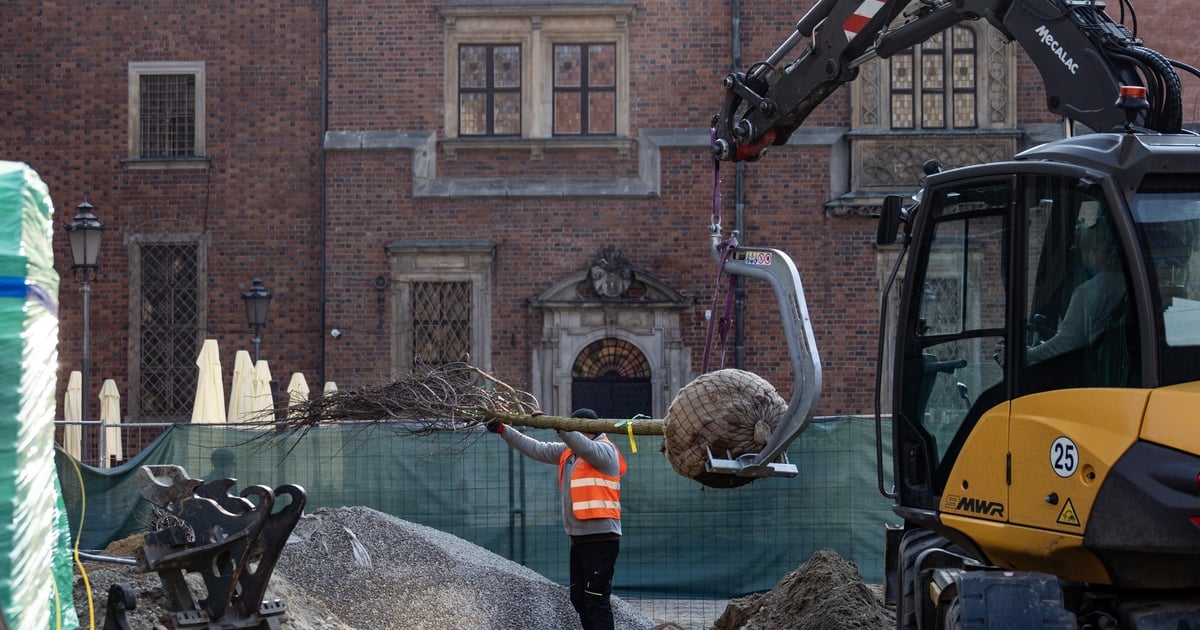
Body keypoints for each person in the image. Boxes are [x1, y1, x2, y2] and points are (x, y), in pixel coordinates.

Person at [486, 408, 627, 630]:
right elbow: (537, 448)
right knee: (579, 598)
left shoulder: (605, 451)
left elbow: (586, 447)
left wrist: (559, 425)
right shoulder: (570, 451)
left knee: (596, 600)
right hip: (578, 538)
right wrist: (504, 430)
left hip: (601, 538)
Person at [1027, 212, 1127, 364]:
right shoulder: (1123, 281)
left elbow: (1066, 343)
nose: (1082, 256)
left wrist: (1028, 355)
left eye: (1084, 249)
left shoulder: (1089, 291)